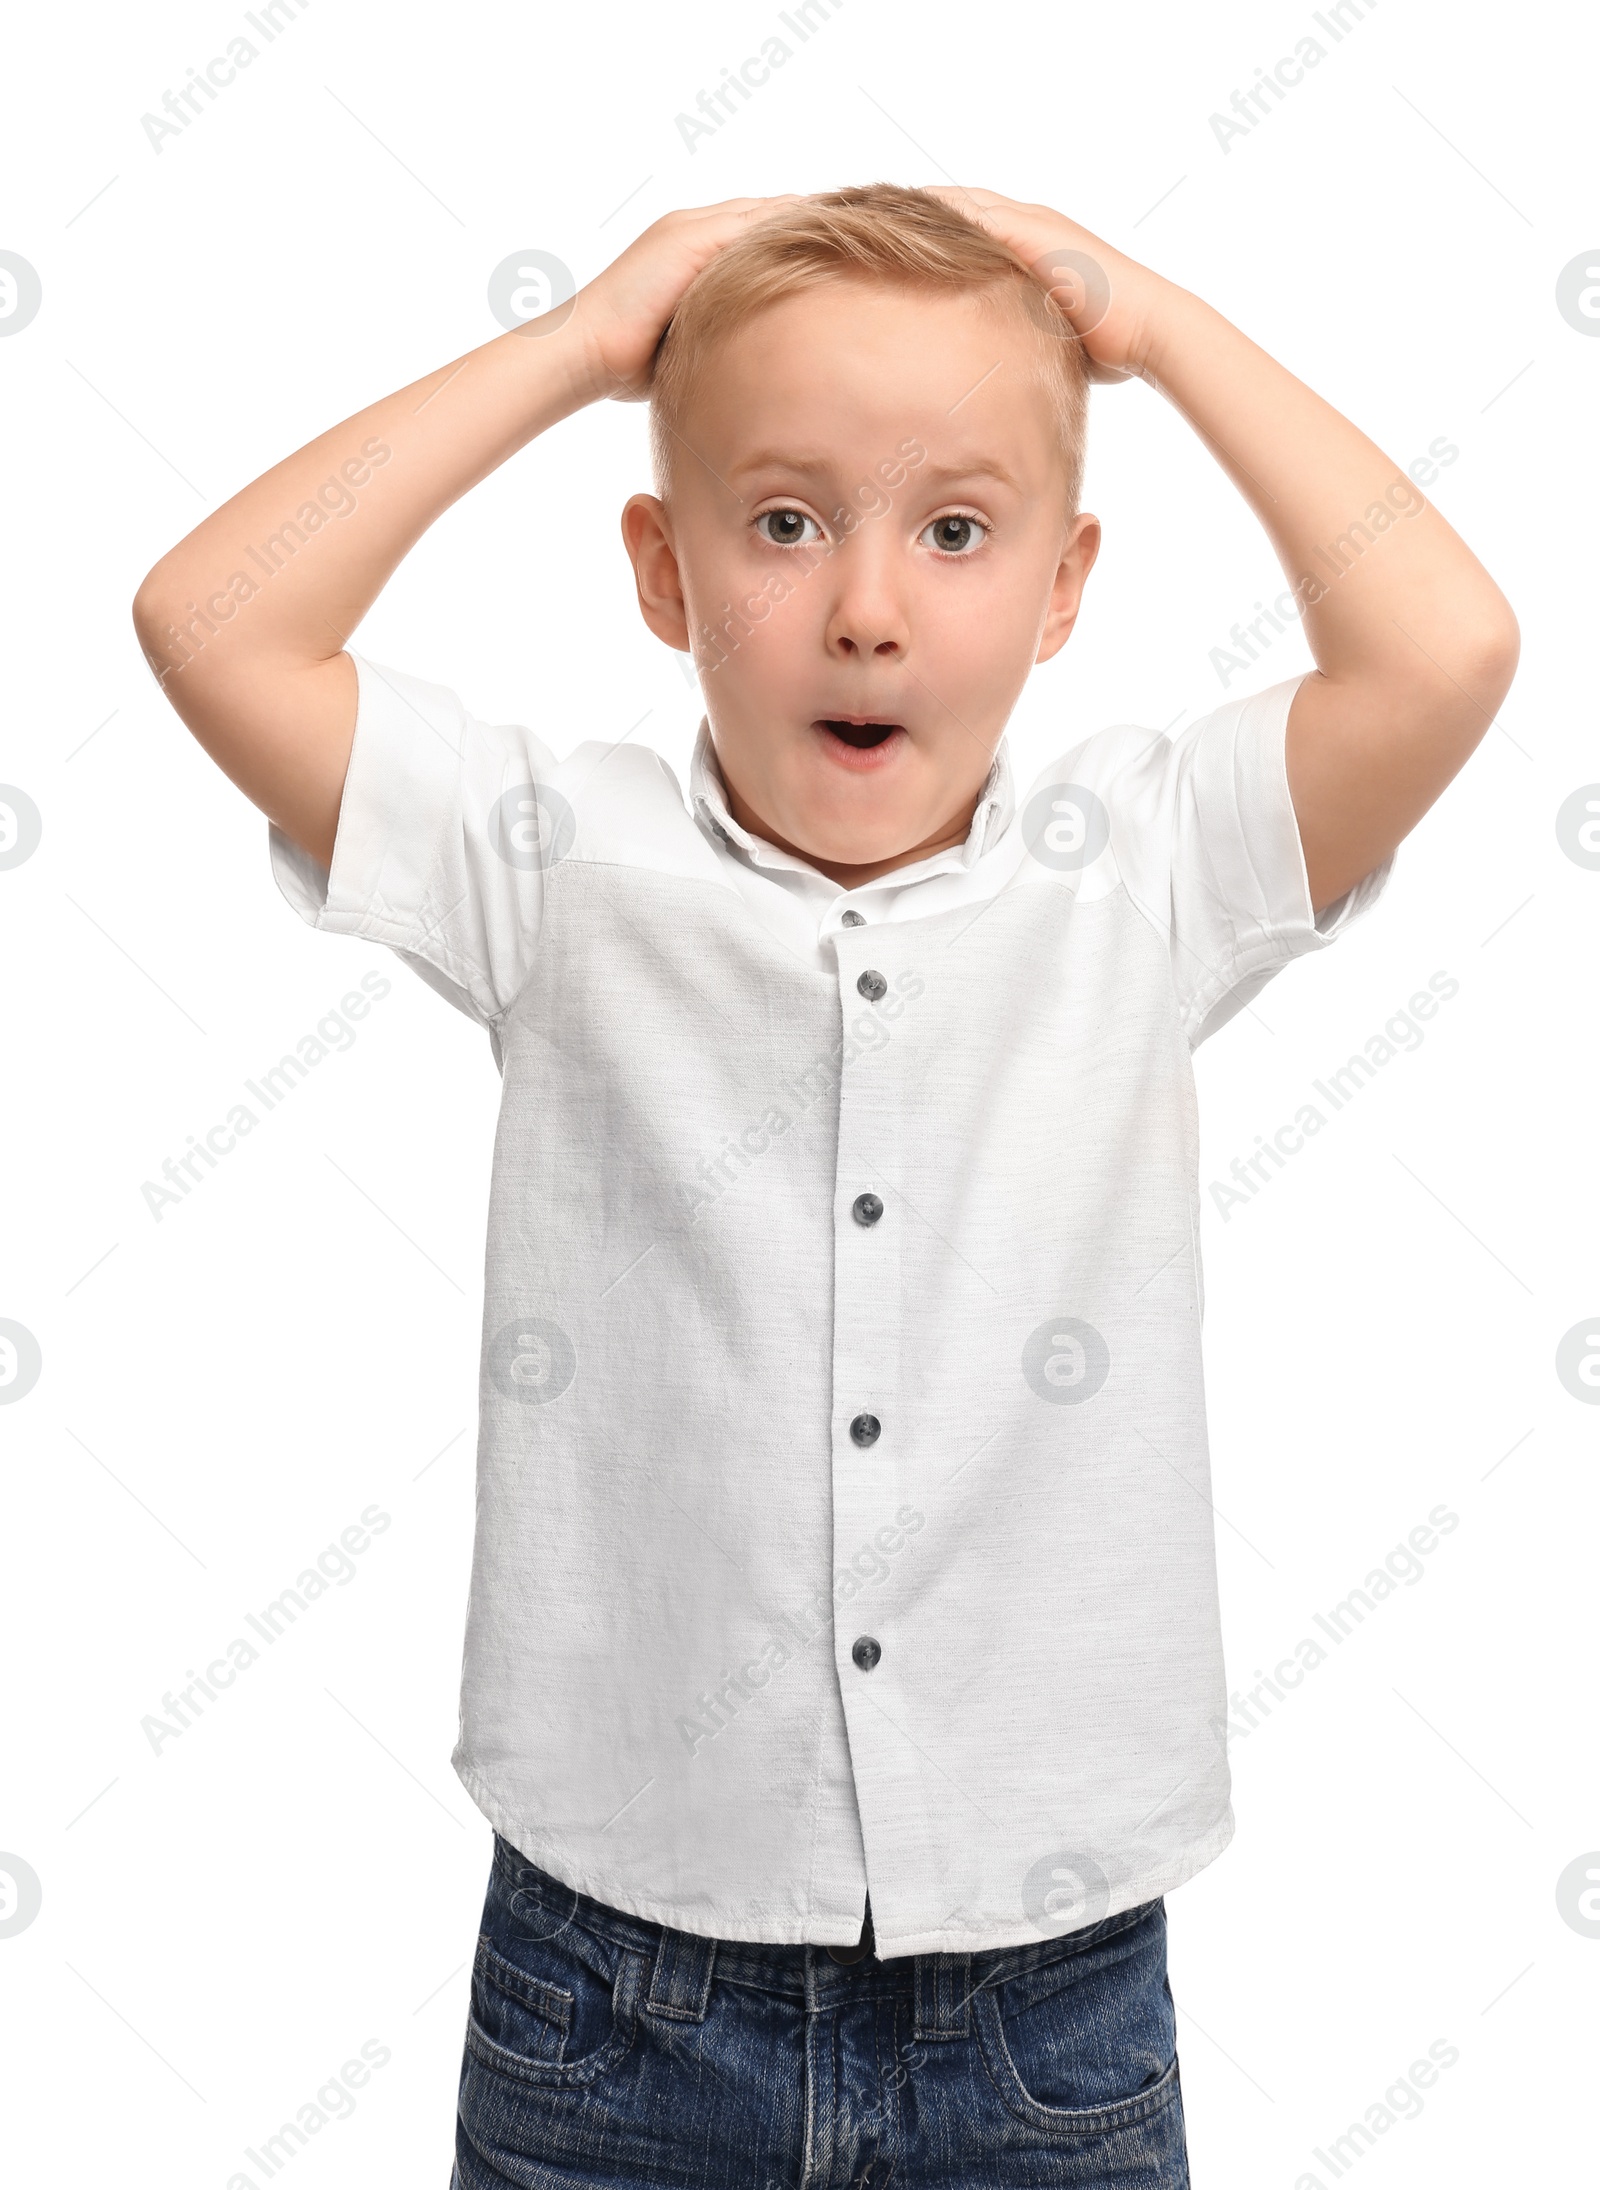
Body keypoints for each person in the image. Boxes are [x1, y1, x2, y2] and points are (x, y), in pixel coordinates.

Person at [132, 183, 1518, 2188]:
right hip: (611, 1988)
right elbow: (211, 615)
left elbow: (1443, 642)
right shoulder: (552, 863)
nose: (867, 604)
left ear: (1061, 588)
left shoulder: (1142, 873)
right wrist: (587, 341)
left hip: (1043, 1993)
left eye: (955, 530)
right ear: (664, 569)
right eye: (781, 521)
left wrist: (1156, 325)